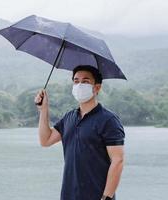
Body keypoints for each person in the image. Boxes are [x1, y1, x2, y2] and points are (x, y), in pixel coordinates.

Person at [34, 65, 125, 200]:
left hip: (97, 195)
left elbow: (118, 161)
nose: (79, 85)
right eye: (76, 81)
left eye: (86, 81)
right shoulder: (69, 117)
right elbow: (45, 140)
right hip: (69, 195)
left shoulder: (108, 120)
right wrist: (43, 110)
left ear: (97, 87)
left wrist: (107, 197)